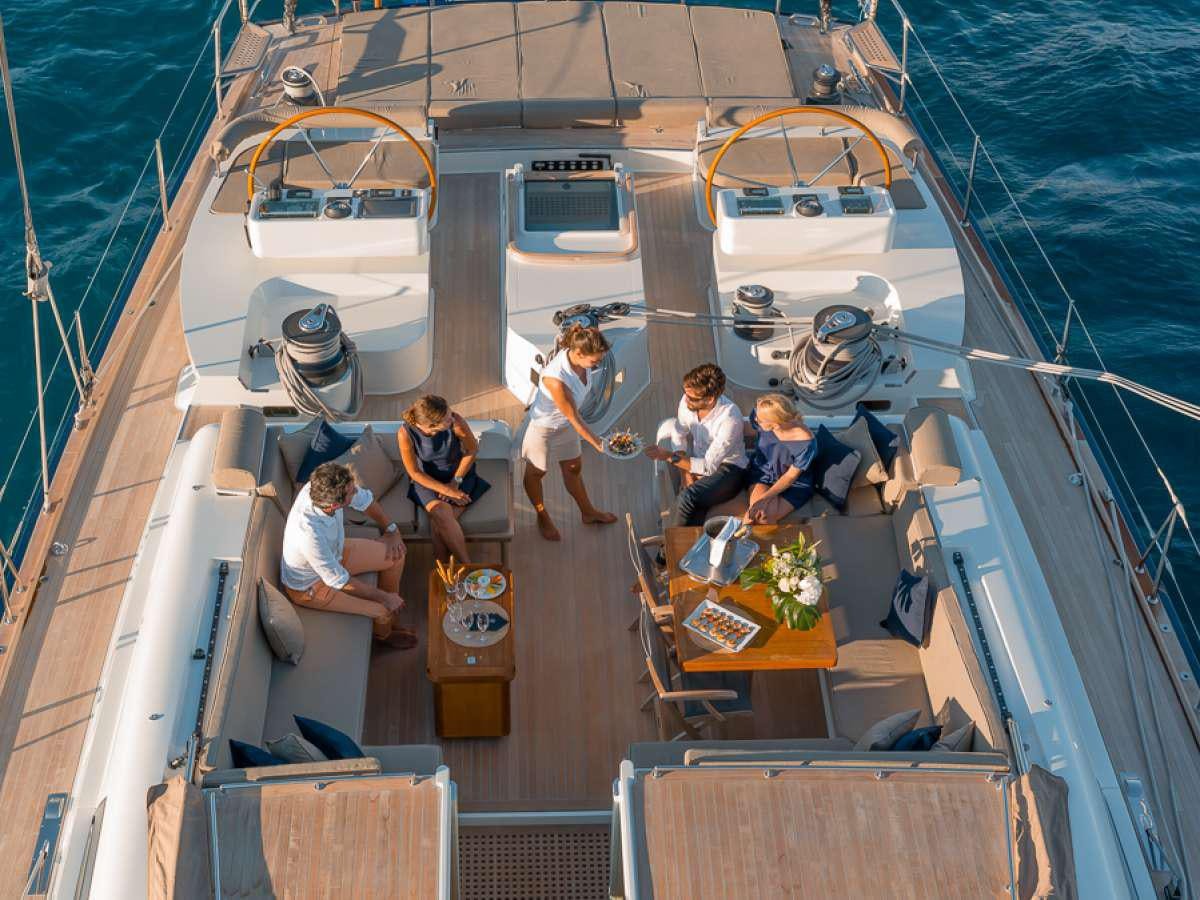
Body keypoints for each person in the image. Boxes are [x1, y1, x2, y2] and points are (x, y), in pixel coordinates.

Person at [280, 461, 417, 650]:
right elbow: (338, 580)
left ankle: (391, 610)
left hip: (335, 553)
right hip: (311, 587)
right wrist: (383, 598)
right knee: (382, 609)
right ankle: (384, 636)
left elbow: (366, 501)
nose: (356, 492)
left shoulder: (319, 486)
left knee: (397, 555)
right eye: (352, 492)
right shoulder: (310, 535)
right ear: (335, 505)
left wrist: (391, 529)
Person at [521, 324, 618, 541]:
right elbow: (575, 418)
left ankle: (588, 512)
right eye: (595, 361)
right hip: (543, 429)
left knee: (574, 469)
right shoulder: (555, 378)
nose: (598, 364)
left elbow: (572, 419)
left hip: (565, 426)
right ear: (578, 353)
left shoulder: (582, 360)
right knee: (536, 474)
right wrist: (601, 445)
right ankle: (542, 515)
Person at [644, 363, 749, 526]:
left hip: (730, 469)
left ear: (710, 399)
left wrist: (666, 456)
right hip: (701, 461)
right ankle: (687, 545)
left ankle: (669, 549)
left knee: (688, 497)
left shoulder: (730, 418)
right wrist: (685, 474)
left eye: (691, 398)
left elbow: (708, 467)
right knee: (693, 506)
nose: (686, 400)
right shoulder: (687, 402)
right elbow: (679, 435)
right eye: (685, 393)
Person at [397, 395, 490, 563]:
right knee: (440, 514)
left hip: (459, 475)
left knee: (438, 521)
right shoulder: (405, 433)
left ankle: (444, 567)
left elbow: (472, 450)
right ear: (433, 425)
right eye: (447, 418)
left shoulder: (457, 422)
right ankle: (466, 566)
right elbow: (414, 472)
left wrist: (455, 482)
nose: (452, 417)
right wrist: (447, 490)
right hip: (427, 480)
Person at [743, 393, 816, 524]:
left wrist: (764, 499)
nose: (755, 419)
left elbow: (790, 477)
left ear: (775, 425)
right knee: (754, 515)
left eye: (759, 420)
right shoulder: (759, 415)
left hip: (795, 483)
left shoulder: (806, 442)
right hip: (764, 473)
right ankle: (735, 542)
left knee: (765, 519)